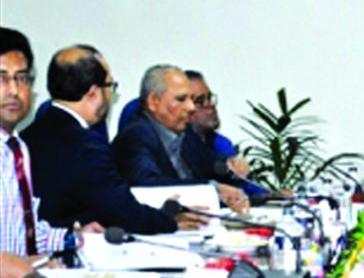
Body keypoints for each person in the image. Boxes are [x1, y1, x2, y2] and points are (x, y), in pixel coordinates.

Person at [21, 45, 200, 233]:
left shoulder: (28, 135)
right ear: (93, 93)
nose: (110, 94)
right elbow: (123, 213)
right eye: (110, 86)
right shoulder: (86, 146)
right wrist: (169, 221)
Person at [2, 28, 102, 258]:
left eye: (22, 78)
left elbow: (22, 233)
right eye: (2, 78)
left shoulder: (18, 149)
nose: (15, 91)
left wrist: (73, 238)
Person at [112, 65, 249, 212]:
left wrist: (229, 165)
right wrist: (213, 189)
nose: (191, 107)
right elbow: (149, 185)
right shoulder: (136, 136)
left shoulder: (184, 132)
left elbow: (209, 162)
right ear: (154, 102)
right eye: (181, 99)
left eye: (191, 99)